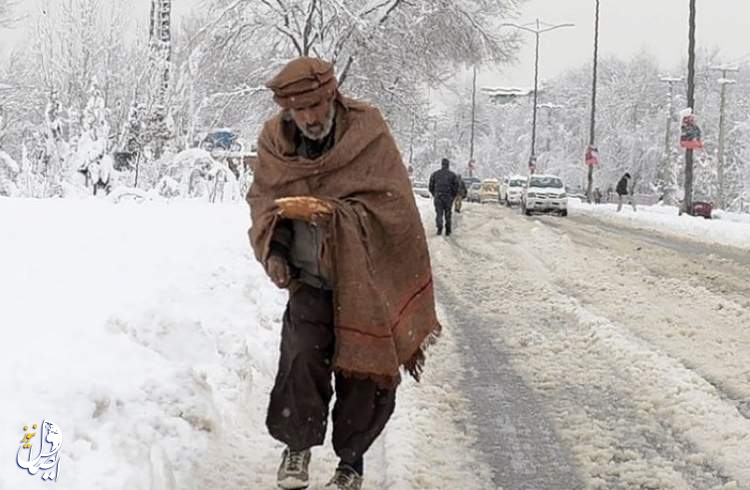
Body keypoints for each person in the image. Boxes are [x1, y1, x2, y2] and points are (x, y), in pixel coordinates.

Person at [246, 57, 440, 490]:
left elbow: (393, 205)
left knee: (362, 372)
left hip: (365, 282)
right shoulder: (276, 144)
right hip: (309, 278)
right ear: (287, 110)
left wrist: (336, 215)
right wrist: (275, 253)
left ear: (332, 95)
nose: (311, 118)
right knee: (300, 358)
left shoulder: (366, 131)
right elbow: (266, 202)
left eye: (317, 105)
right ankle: (296, 449)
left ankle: (352, 462)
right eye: (301, 110)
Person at [428, 158, 459, 236]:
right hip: (448, 197)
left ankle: (439, 227)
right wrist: (453, 195)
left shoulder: (435, 174)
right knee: (448, 213)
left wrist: (435, 194)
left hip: (438, 196)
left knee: (439, 213)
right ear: (448, 165)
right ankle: (448, 230)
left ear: (441, 164)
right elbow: (456, 187)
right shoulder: (452, 175)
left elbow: (430, 186)